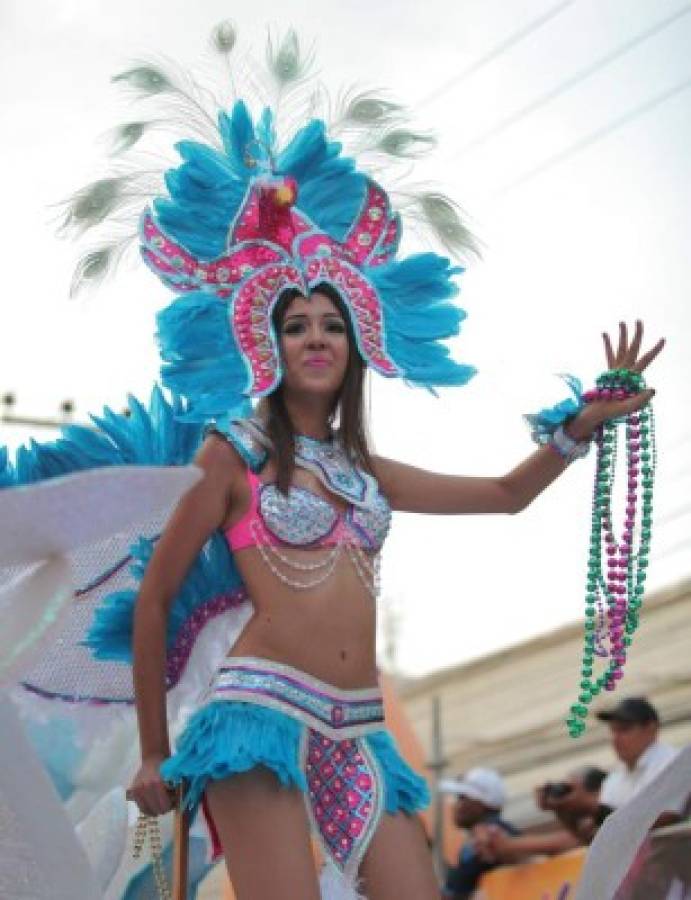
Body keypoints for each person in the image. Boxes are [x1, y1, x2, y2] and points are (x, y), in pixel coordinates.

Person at [3, 29, 665, 900]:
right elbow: (157, 599)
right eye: (294, 324)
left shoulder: (365, 471)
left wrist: (580, 425)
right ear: (266, 342)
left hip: (361, 729)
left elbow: (505, 496)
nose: (314, 338)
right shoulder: (230, 454)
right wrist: (157, 752)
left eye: (330, 324)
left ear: (355, 344)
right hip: (257, 716)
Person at [537, 698, 682, 836]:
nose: (616, 738)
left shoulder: (671, 763)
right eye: (613, 730)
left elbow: (665, 819)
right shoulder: (617, 777)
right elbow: (595, 837)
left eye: (624, 729)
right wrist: (562, 808)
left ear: (651, 728)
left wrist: (590, 805)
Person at [474, 766, 607, 865]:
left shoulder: (613, 814)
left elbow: (575, 841)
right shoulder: (580, 830)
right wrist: (558, 808)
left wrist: (508, 844)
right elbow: (579, 837)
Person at [439, 768, 518, 898]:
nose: (456, 805)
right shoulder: (476, 838)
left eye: (462, 798)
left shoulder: (493, 834)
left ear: (483, 802)